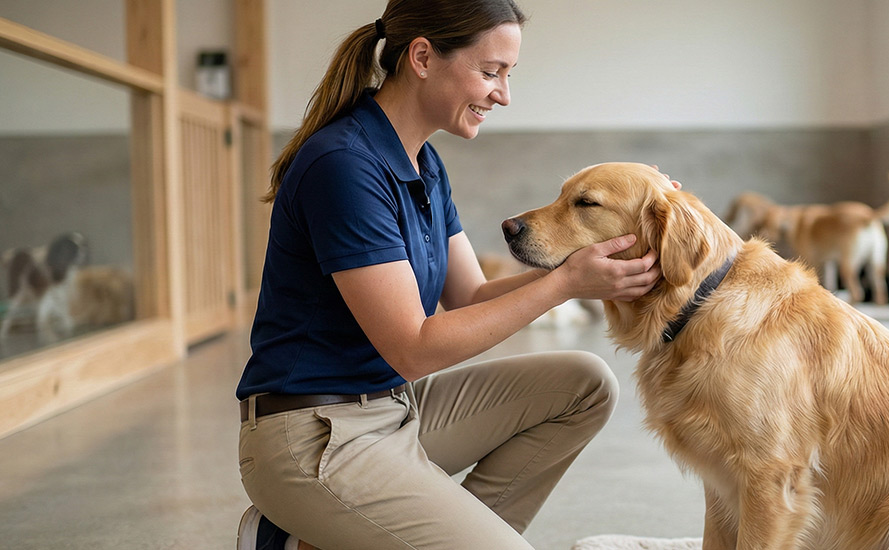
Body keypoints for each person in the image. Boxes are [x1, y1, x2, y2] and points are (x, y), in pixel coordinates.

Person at [234, 1, 664, 548]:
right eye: (490, 72)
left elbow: (471, 295)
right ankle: (304, 527)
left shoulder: (424, 164)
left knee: (586, 384)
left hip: (393, 411)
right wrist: (564, 284)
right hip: (313, 437)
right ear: (422, 57)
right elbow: (412, 348)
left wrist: (585, 267)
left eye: (508, 75)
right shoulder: (343, 166)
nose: (503, 94)